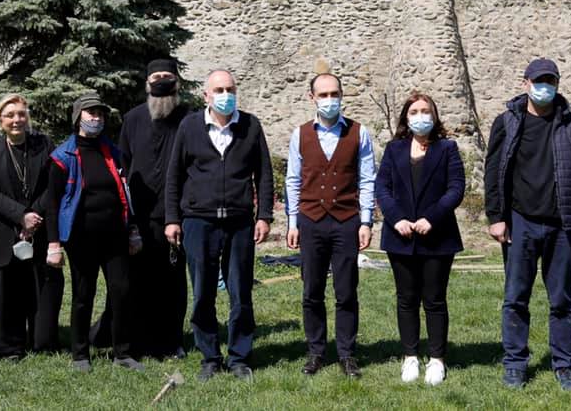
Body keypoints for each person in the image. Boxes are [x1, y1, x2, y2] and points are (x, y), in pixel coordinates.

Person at [485, 58, 571, 393]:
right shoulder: (507, 122)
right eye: (538, 81)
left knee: (562, 301)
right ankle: (515, 364)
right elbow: (493, 172)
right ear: (525, 83)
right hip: (519, 222)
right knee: (515, 298)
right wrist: (496, 217)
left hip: (563, 224)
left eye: (550, 81)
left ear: (557, 85)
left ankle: (565, 366)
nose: (544, 87)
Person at [165, 69, 274, 382]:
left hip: (240, 223)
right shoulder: (189, 127)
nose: (225, 95)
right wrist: (172, 219)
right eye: (219, 90)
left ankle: (239, 357)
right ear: (206, 96)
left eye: (230, 89)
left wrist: (264, 216)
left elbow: (264, 174)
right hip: (198, 222)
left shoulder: (251, 126)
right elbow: (174, 176)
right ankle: (210, 357)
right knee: (203, 293)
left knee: (240, 293)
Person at [92, 59, 190, 358]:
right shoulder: (133, 118)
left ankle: (171, 341)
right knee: (138, 279)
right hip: (140, 215)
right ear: (147, 83)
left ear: (177, 82)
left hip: (176, 214)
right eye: (156, 77)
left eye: (167, 76)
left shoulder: (189, 119)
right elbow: (122, 164)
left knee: (172, 282)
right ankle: (138, 337)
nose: (161, 81)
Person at [284, 73, 377, 378]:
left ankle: (347, 353)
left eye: (334, 94)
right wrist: (292, 222)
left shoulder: (358, 133)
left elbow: (367, 179)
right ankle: (316, 351)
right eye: (323, 95)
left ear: (341, 96)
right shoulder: (300, 134)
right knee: (312, 290)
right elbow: (293, 180)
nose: (329, 100)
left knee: (346, 291)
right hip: (310, 221)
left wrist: (366, 221)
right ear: (312, 97)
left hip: (346, 221)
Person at [47, 92, 144, 372]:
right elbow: (52, 205)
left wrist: (133, 230)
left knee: (121, 292)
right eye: (91, 113)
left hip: (115, 236)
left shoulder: (113, 153)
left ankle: (122, 353)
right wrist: (54, 244)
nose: (96, 118)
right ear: (78, 117)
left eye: (100, 114)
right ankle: (80, 355)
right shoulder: (62, 157)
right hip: (82, 238)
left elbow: (126, 194)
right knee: (83, 294)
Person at [374, 92, 465, 386]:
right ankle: (410, 355)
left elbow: (456, 188)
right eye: (414, 111)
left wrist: (432, 218)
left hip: (437, 236)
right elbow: (382, 188)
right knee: (406, 299)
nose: (420, 116)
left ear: (434, 115)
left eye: (426, 111)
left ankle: (437, 359)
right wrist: (396, 218)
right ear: (406, 117)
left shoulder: (447, 148)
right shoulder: (394, 149)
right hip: (400, 236)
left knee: (435, 299)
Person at [0, 94, 61, 358]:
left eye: (21, 114)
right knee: (4, 292)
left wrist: (33, 216)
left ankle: (41, 341)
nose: (17, 120)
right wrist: (21, 216)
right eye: (10, 115)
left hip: (39, 226)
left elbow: (51, 186)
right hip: (1, 229)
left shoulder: (43, 145)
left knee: (38, 288)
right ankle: (8, 346)